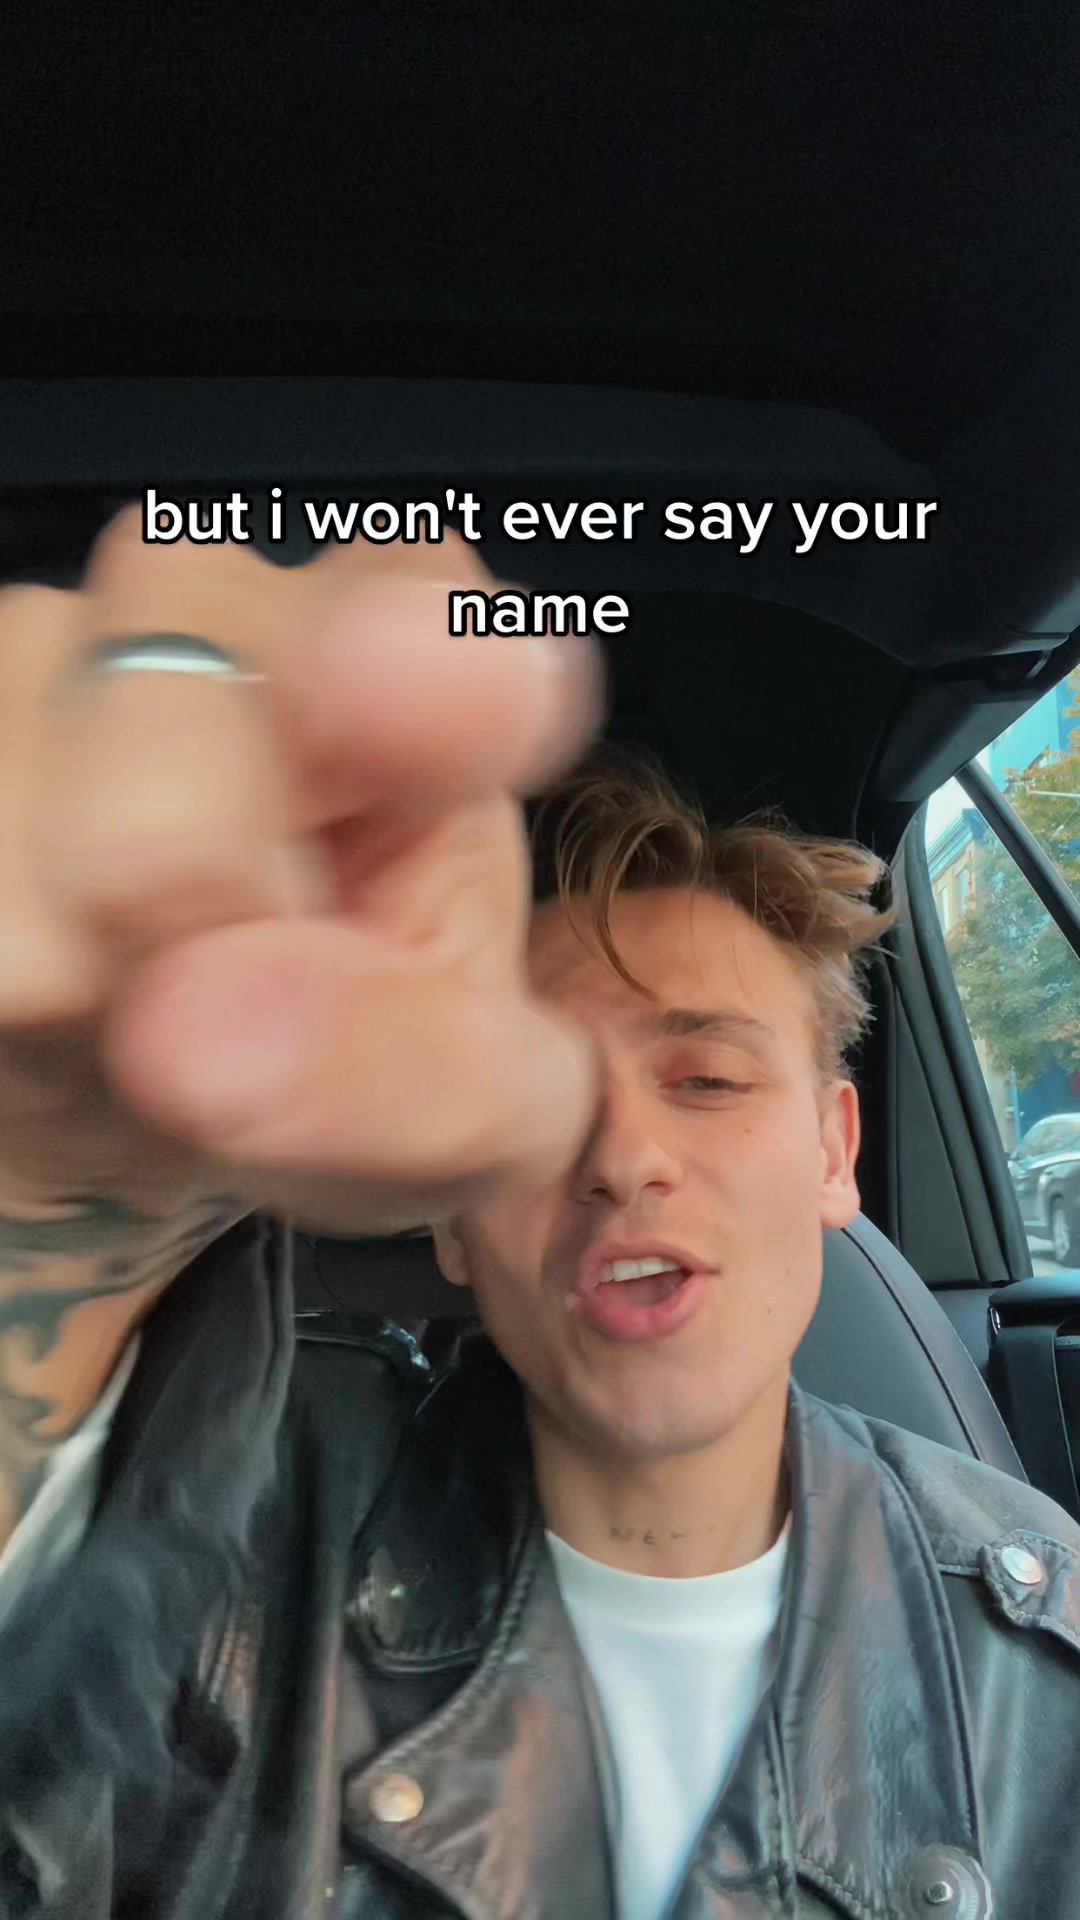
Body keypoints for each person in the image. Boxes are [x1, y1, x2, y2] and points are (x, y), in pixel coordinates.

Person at [0, 511, 1078, 1919]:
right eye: (548, 1104)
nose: (622, 1158)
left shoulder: (1039, 1637)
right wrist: (66, 1194)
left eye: (706, 1079)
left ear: (834, 1152)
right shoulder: (229, 1559)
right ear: (452, 1221)